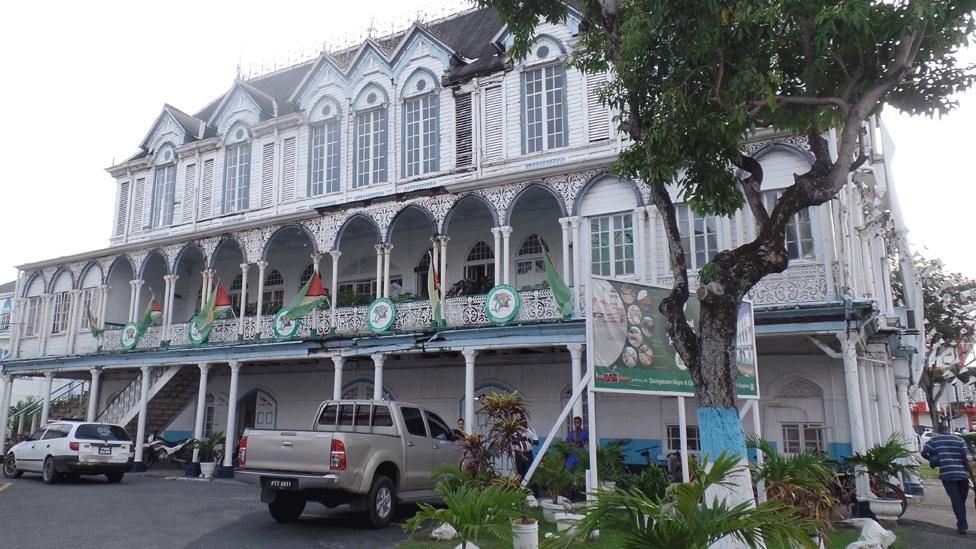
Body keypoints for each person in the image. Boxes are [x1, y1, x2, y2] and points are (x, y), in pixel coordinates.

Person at [922, 424, 976, 535]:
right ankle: (962, 524)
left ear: (939, 430)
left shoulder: (934, 440)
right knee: (960, 501)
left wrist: (933, 460)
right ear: (948, 430)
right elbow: (965, 460)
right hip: (963, 475)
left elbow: (923, 453)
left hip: (947, 475)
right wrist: (973, 479)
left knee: (957, 501)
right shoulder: (959, 440)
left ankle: (962, 525)